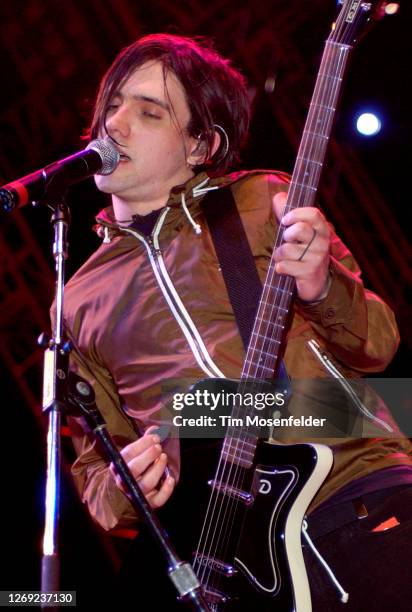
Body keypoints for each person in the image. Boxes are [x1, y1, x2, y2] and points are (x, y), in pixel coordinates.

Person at [60, 33, 412, 610]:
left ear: (200, 145)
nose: (116, 124)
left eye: (149, 111)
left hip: (354, 494)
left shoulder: (259, 202)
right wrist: (124, 487)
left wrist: (322, 286)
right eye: (114, 104)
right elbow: (96, 468)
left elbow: (379, 345)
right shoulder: (77, 299)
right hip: (232, 559)